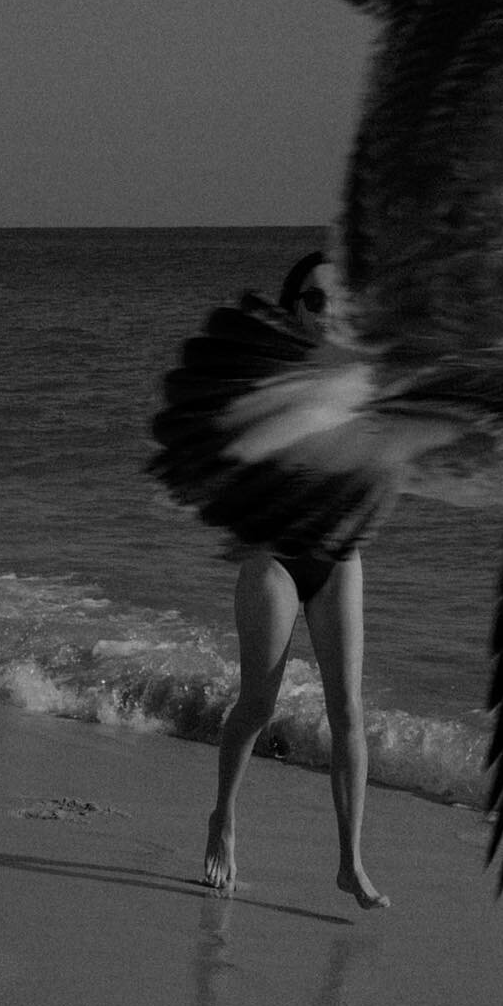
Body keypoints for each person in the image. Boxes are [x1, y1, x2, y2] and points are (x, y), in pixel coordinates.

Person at [202, 250, 390, 909]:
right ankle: (223, 816)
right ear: (293, 309)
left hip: (340, 561)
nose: (327, 312)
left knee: (349, 712)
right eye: (314, 300)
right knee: (259, 703)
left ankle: (351, 862)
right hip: (276, 561)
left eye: (337, 301)